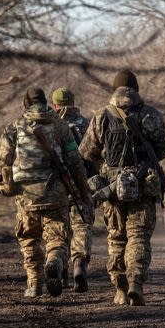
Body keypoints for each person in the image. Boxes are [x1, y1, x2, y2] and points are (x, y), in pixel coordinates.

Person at [79, 70, 165, 306]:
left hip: (112, 189)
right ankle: (135, 284)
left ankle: (119, 290)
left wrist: (107, 168)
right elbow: (164, 148)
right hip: (143, 187)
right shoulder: (150, 115)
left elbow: (87, 152)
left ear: (114, 89)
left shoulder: (101, 116)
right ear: (136, 89)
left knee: (117, 239)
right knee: (139, 237)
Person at [0, 86, 92, 298]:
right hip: (56, 193)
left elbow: (3, 160)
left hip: (26, 195)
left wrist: (8, 185)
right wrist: (83, 191)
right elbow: (75, 162)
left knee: (29, 238)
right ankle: (55, 261)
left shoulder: (15, 127)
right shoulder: (60, 126)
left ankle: (35, 284)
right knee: (57, 237)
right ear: (45, 102)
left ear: (26, 104)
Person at [51, 86, 95, 292]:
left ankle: (61, 272)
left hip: (57, 186)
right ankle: (79, 264)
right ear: (73, 102)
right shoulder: (87, 123)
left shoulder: (52, 125)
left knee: (60, 229)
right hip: (82, 184)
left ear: (55, 105)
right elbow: (96, 157)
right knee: (82, 226)